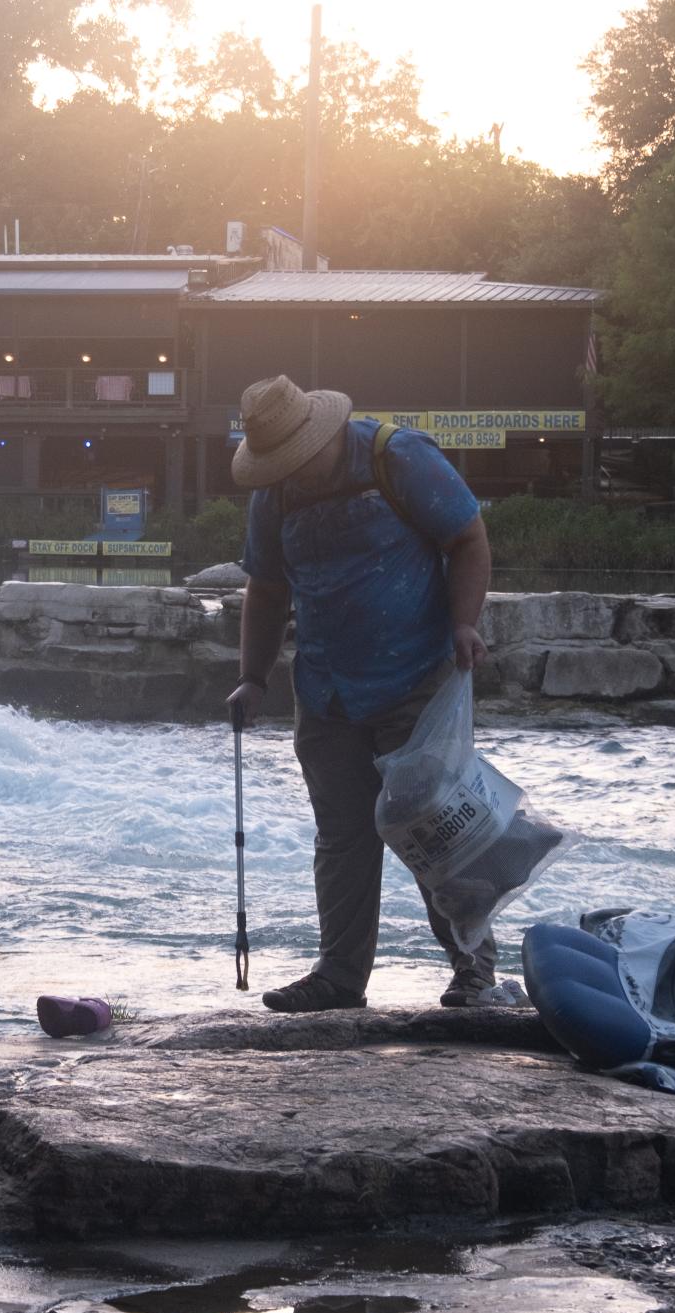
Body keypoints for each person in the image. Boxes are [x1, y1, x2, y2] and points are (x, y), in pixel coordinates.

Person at [224, 374, 495, 1012]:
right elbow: (267, 589)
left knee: (432, 829)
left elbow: (468, 539)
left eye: (295, 459)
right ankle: (339, 978)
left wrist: (464, 623)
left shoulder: (396, 457)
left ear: (324, 434)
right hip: (326, 689)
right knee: (342, 837)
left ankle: (475, 971)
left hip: (416, 679)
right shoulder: (275, 496)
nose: (288, 473)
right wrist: (253, 676)